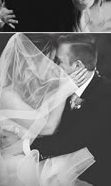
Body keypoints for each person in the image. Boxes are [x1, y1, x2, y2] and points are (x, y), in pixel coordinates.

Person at [0, 33, 95, 186]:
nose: (54, 66)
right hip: (12, 168)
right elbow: (47, 128)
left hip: (32, 158)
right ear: (32, 60)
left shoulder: (37, 90)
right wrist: (64, 89)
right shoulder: (6, 94)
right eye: (51, 60)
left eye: (56, 61)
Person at [31, 34, 111, 186]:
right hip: (57, 170)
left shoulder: (107, 94)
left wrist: (25, 146)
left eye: (59, 62)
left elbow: (71, 141)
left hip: (91, 178)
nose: (54, 66)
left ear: (78, 66)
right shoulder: (58, 87)